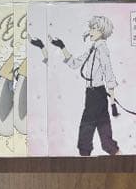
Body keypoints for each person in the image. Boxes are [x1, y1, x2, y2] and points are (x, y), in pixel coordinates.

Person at [45, 15, 120, 156]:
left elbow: (109, 74)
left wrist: (113, 104)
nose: (90, 31)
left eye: (94, 28)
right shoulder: (93, 49)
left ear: (102, 31)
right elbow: (75, 63)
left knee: (85, 141)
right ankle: (119, 157)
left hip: (97, 95)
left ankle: (87, 161)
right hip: (92, 95)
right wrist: (62, 46)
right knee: (105, 141)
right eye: (90, 28)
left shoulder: (102, 49)